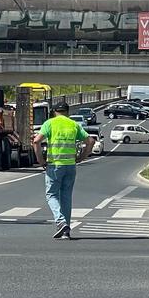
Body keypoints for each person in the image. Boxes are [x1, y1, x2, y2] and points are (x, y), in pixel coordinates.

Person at [32, 100, 95, 240]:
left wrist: (40, 160)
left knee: (51, 195)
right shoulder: (73, 124)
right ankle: (66, 231)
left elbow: (36, 141)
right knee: (66, 197)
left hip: (54, 165)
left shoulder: (50, 123)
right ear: (67, 112)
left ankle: (61, 222)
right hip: (70, 166)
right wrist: (82, 157)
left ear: (54, 111)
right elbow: (90, 141)